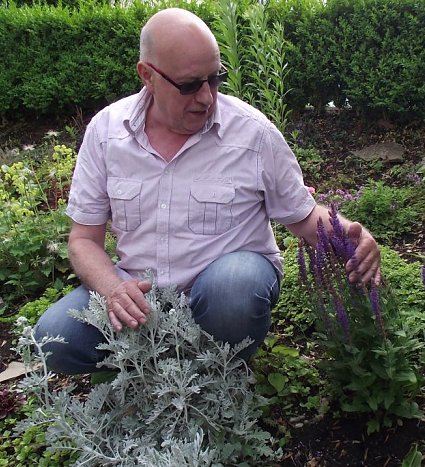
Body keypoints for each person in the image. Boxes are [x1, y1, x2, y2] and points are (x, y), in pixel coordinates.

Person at [35, 7, 381, 374]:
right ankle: (150, 378)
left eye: (215, 79)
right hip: (143, 297)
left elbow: (304, 216)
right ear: (147, 75)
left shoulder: (252, 134)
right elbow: (83, 239)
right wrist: (113, 289)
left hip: (222, 290)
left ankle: (217, 376)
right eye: (189, 85)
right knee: (53, 338)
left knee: (234, 288)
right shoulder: (107, 132)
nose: (206, 97)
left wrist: (352, 236)